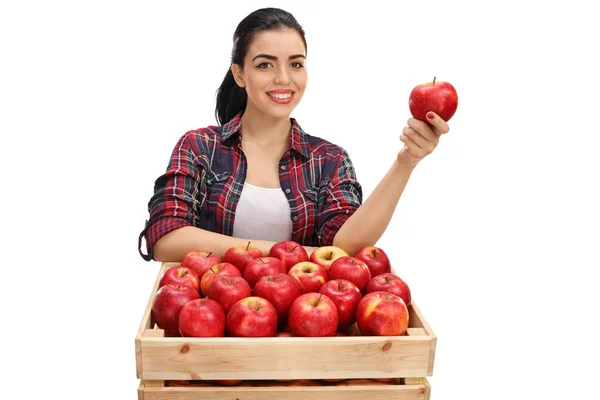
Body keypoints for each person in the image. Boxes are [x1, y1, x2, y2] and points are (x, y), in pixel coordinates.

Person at [138, 7, 450, 262]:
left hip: (304, 330)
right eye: (265, 65)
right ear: (239, 74)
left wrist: (406, 161)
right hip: (211, 326)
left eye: (296, 64)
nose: (283, 79)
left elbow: (345, 249)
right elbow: (165, 237)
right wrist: (287, 255)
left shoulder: (329, 160)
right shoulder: (200, 147)